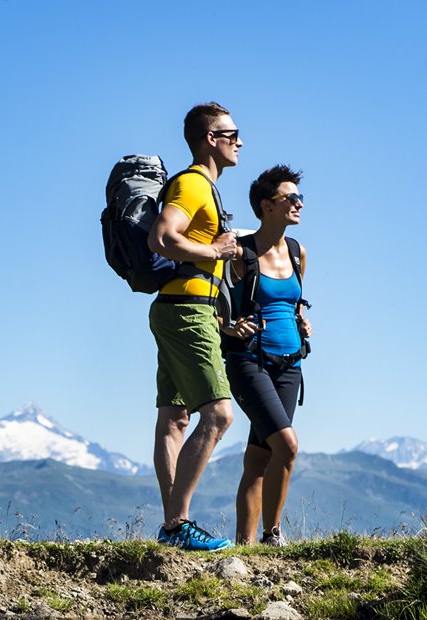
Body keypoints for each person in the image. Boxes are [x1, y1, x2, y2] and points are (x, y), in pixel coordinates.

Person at [148, 102, 244, 551]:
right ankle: (177, 524)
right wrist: (216, 253)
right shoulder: (192, 185)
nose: (240, 141)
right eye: (232, 133)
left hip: (179, 307)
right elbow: (164, 238)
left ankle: (173, 528)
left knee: (174, 417)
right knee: (219, 414)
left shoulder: (204, 188)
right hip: (186, 310)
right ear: (211, 139)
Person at [224, 164, 311, 546]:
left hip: (290, 364)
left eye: (300, 197)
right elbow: (212, 300)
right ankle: (273, 536)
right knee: (287, 445)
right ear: (266, 205)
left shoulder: (297, 252)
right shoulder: (241, 254)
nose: (298, 204)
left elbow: (294, 303)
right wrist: (228, 326)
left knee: (258, 459)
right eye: (289, 198)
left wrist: (303, 323)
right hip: (250, 362)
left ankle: (244, 549)